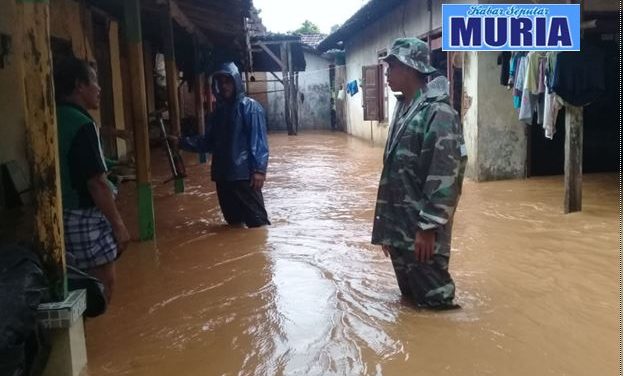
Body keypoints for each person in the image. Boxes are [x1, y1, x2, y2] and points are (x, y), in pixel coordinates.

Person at [371, 38, 467, 310]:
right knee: (411, 303)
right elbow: (394, 172)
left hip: (422, 233)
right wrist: (389, 229)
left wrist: (428, 227)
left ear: (411, 68)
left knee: (437, 306)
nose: (387, 74)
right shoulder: (403, 107)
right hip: (400, 230)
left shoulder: (438, 112)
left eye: (392, 66)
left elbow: (446, 172)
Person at [54, 57, 130, 303]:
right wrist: (118, 225)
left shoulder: (55, 116)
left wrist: (113, 166)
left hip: (61, 214)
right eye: (94, 82)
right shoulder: (82, 124)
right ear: (79, 85)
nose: (99, 89)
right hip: (84, 216)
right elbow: (96, 183)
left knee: (75, 286)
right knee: (102, 287)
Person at [175, 62, 270, 228]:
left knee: (258, 224)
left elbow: (258, 141)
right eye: (220, 82)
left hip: (244, 177)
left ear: (236, 82)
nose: (224, 86)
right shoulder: (218, 112)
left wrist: (259, 170)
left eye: (228, 81)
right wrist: (181, 142)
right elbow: (208, 142)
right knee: (233, 223)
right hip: (222, 177)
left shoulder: (250, 107)